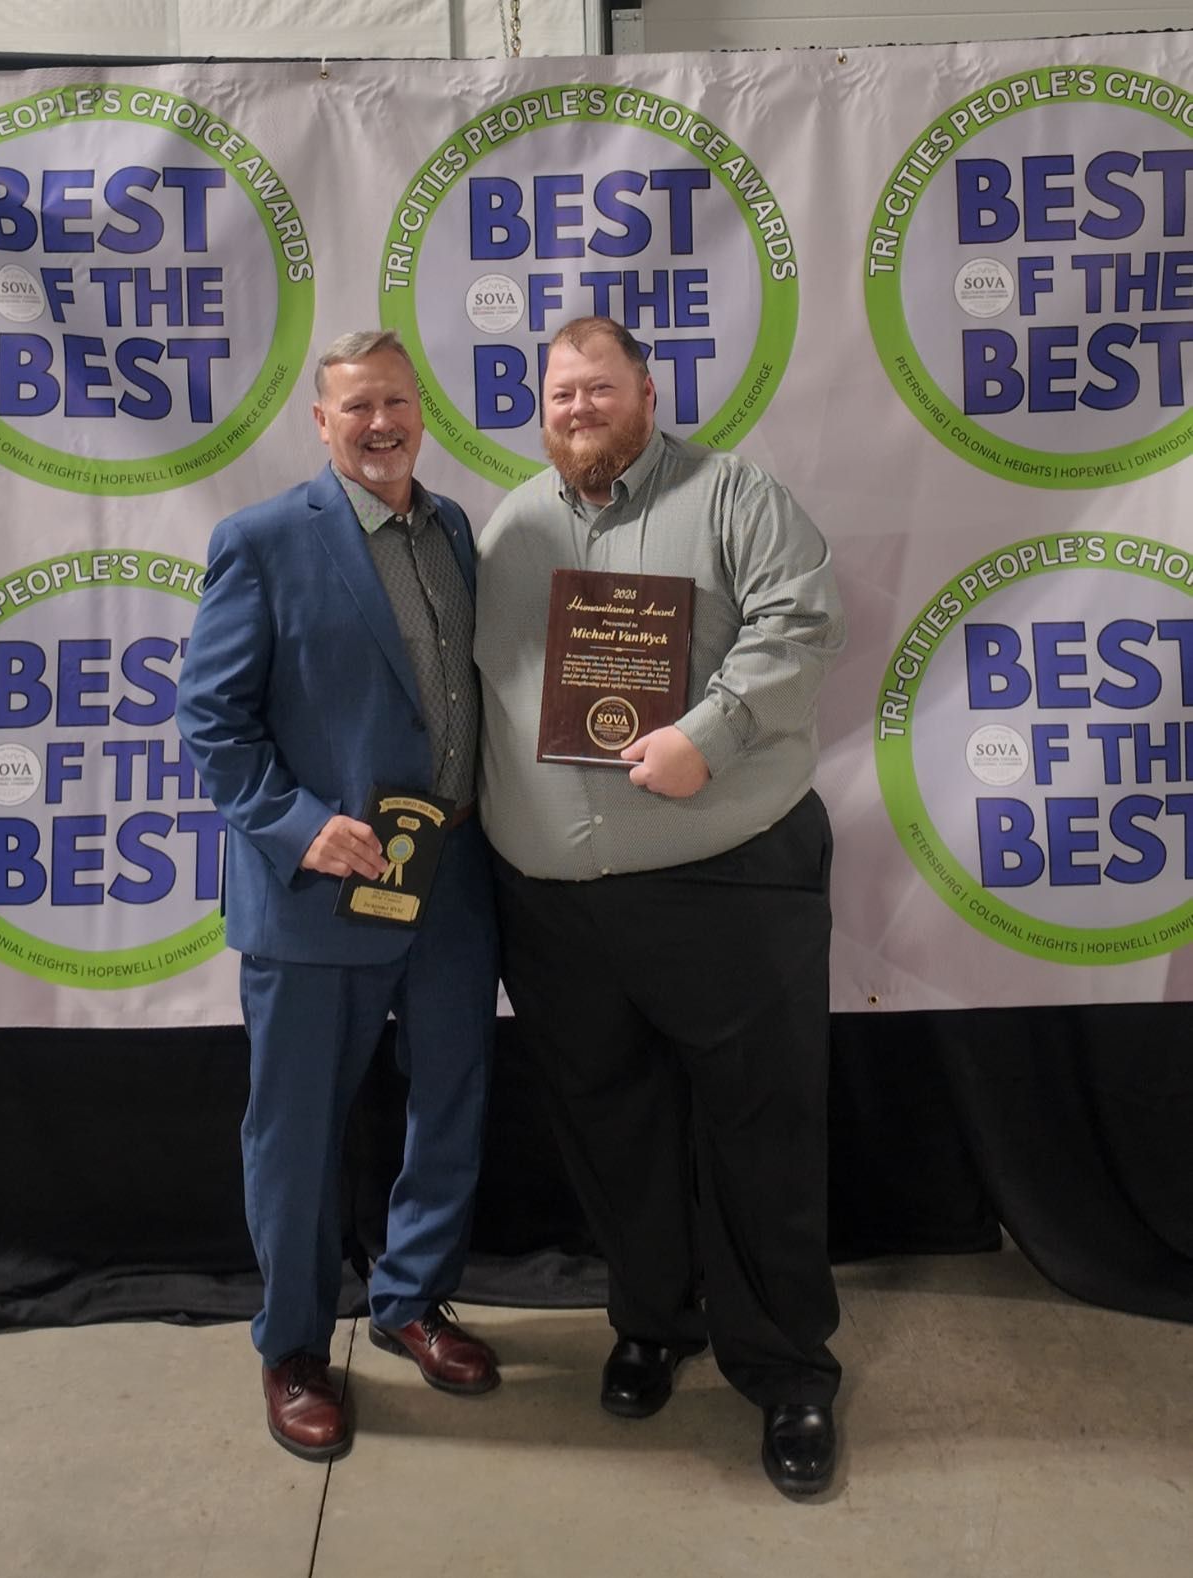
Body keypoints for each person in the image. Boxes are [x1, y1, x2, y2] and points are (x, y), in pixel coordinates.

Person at [475, 316, 846, 1497]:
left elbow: (801, 622)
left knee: (760, 1131)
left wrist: (711, 731)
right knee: (608, 1127)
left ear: (647, 388)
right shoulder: (510, 523)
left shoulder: (734, 494)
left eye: (597, 387)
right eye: (558, 395)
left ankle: (787, 1371)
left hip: (723, 885)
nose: (576, 409)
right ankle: (650, 1321)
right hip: (556, 913)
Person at [177, 329, 499, 1462]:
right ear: (321, 423)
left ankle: (412, 1298)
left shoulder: (453, 527)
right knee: (298, 1134)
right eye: (356, 407)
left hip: (453, 880)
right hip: (318, 894)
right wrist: (304, 831)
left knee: (449, 1101)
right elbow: (211, 724)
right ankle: (297, 1346)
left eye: (397, 403)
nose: (380, 424)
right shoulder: (262, 541)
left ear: (425, 412)